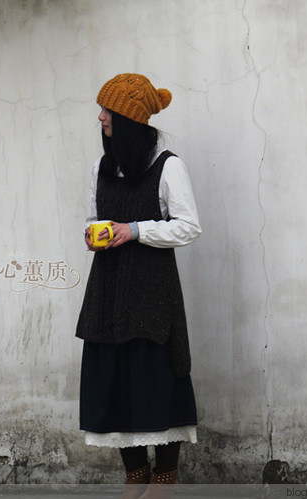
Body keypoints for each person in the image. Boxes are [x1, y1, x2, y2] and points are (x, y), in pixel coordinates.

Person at [75, 73, 201, 498]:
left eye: (106, 111)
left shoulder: (169, 166)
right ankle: (135, 477)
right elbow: (95, 218)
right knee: (113, 382)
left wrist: (135, 230)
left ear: (127, 118)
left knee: (156, 381)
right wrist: (95, 233)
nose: (100, 118)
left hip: (152, 294)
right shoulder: (101, 168)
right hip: (108, 294)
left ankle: (163, 481)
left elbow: (188, 227)